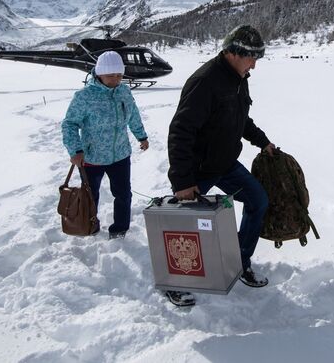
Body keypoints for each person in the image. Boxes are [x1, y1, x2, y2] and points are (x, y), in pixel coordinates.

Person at [166, 25, 276, 307]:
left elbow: (241, 119)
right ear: (233, 53)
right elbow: (180, 130)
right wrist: (182, 181)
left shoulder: (240, 78)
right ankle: (175, 281)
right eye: (251, 58)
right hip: (197, 170)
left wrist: (263, 142)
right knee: (184, 225)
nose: (254, 65)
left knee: (257, 201)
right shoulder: (205, 81)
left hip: (224, 164)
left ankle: (239, 262)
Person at [62, 50, 149, 240]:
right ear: (99, 73)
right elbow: (69, 124)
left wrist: (141, 136)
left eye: (119, 75)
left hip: (120, 154)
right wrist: (75, 150)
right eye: (111, 75)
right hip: (92, 157)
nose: (116, 79)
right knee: (90, 196)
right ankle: (90, 225)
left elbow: (133, 115)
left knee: (123, 195)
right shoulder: (84, 96)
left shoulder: (124, 92)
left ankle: (120, 229)